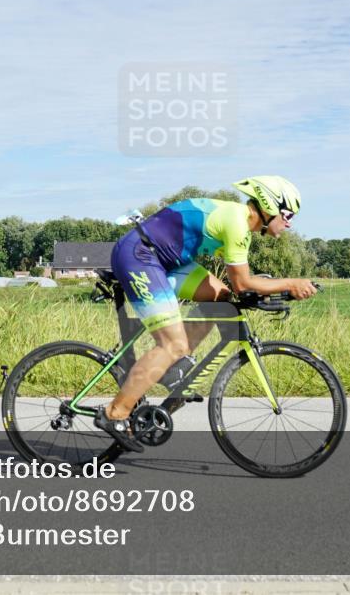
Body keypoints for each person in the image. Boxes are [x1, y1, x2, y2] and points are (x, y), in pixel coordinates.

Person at [95, 176, 317, 452]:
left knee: (220, 297)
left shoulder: (241, 224)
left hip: (163, 260)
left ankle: (173, 367)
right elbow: (244, 283)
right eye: (287, 215)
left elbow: (237, 285)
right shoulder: (237, 222)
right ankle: (115, 413)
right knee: (171, 344)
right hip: (140, 256)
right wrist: (290, 283)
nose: (289, 223)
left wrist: (269, 289)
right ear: (269, 205)